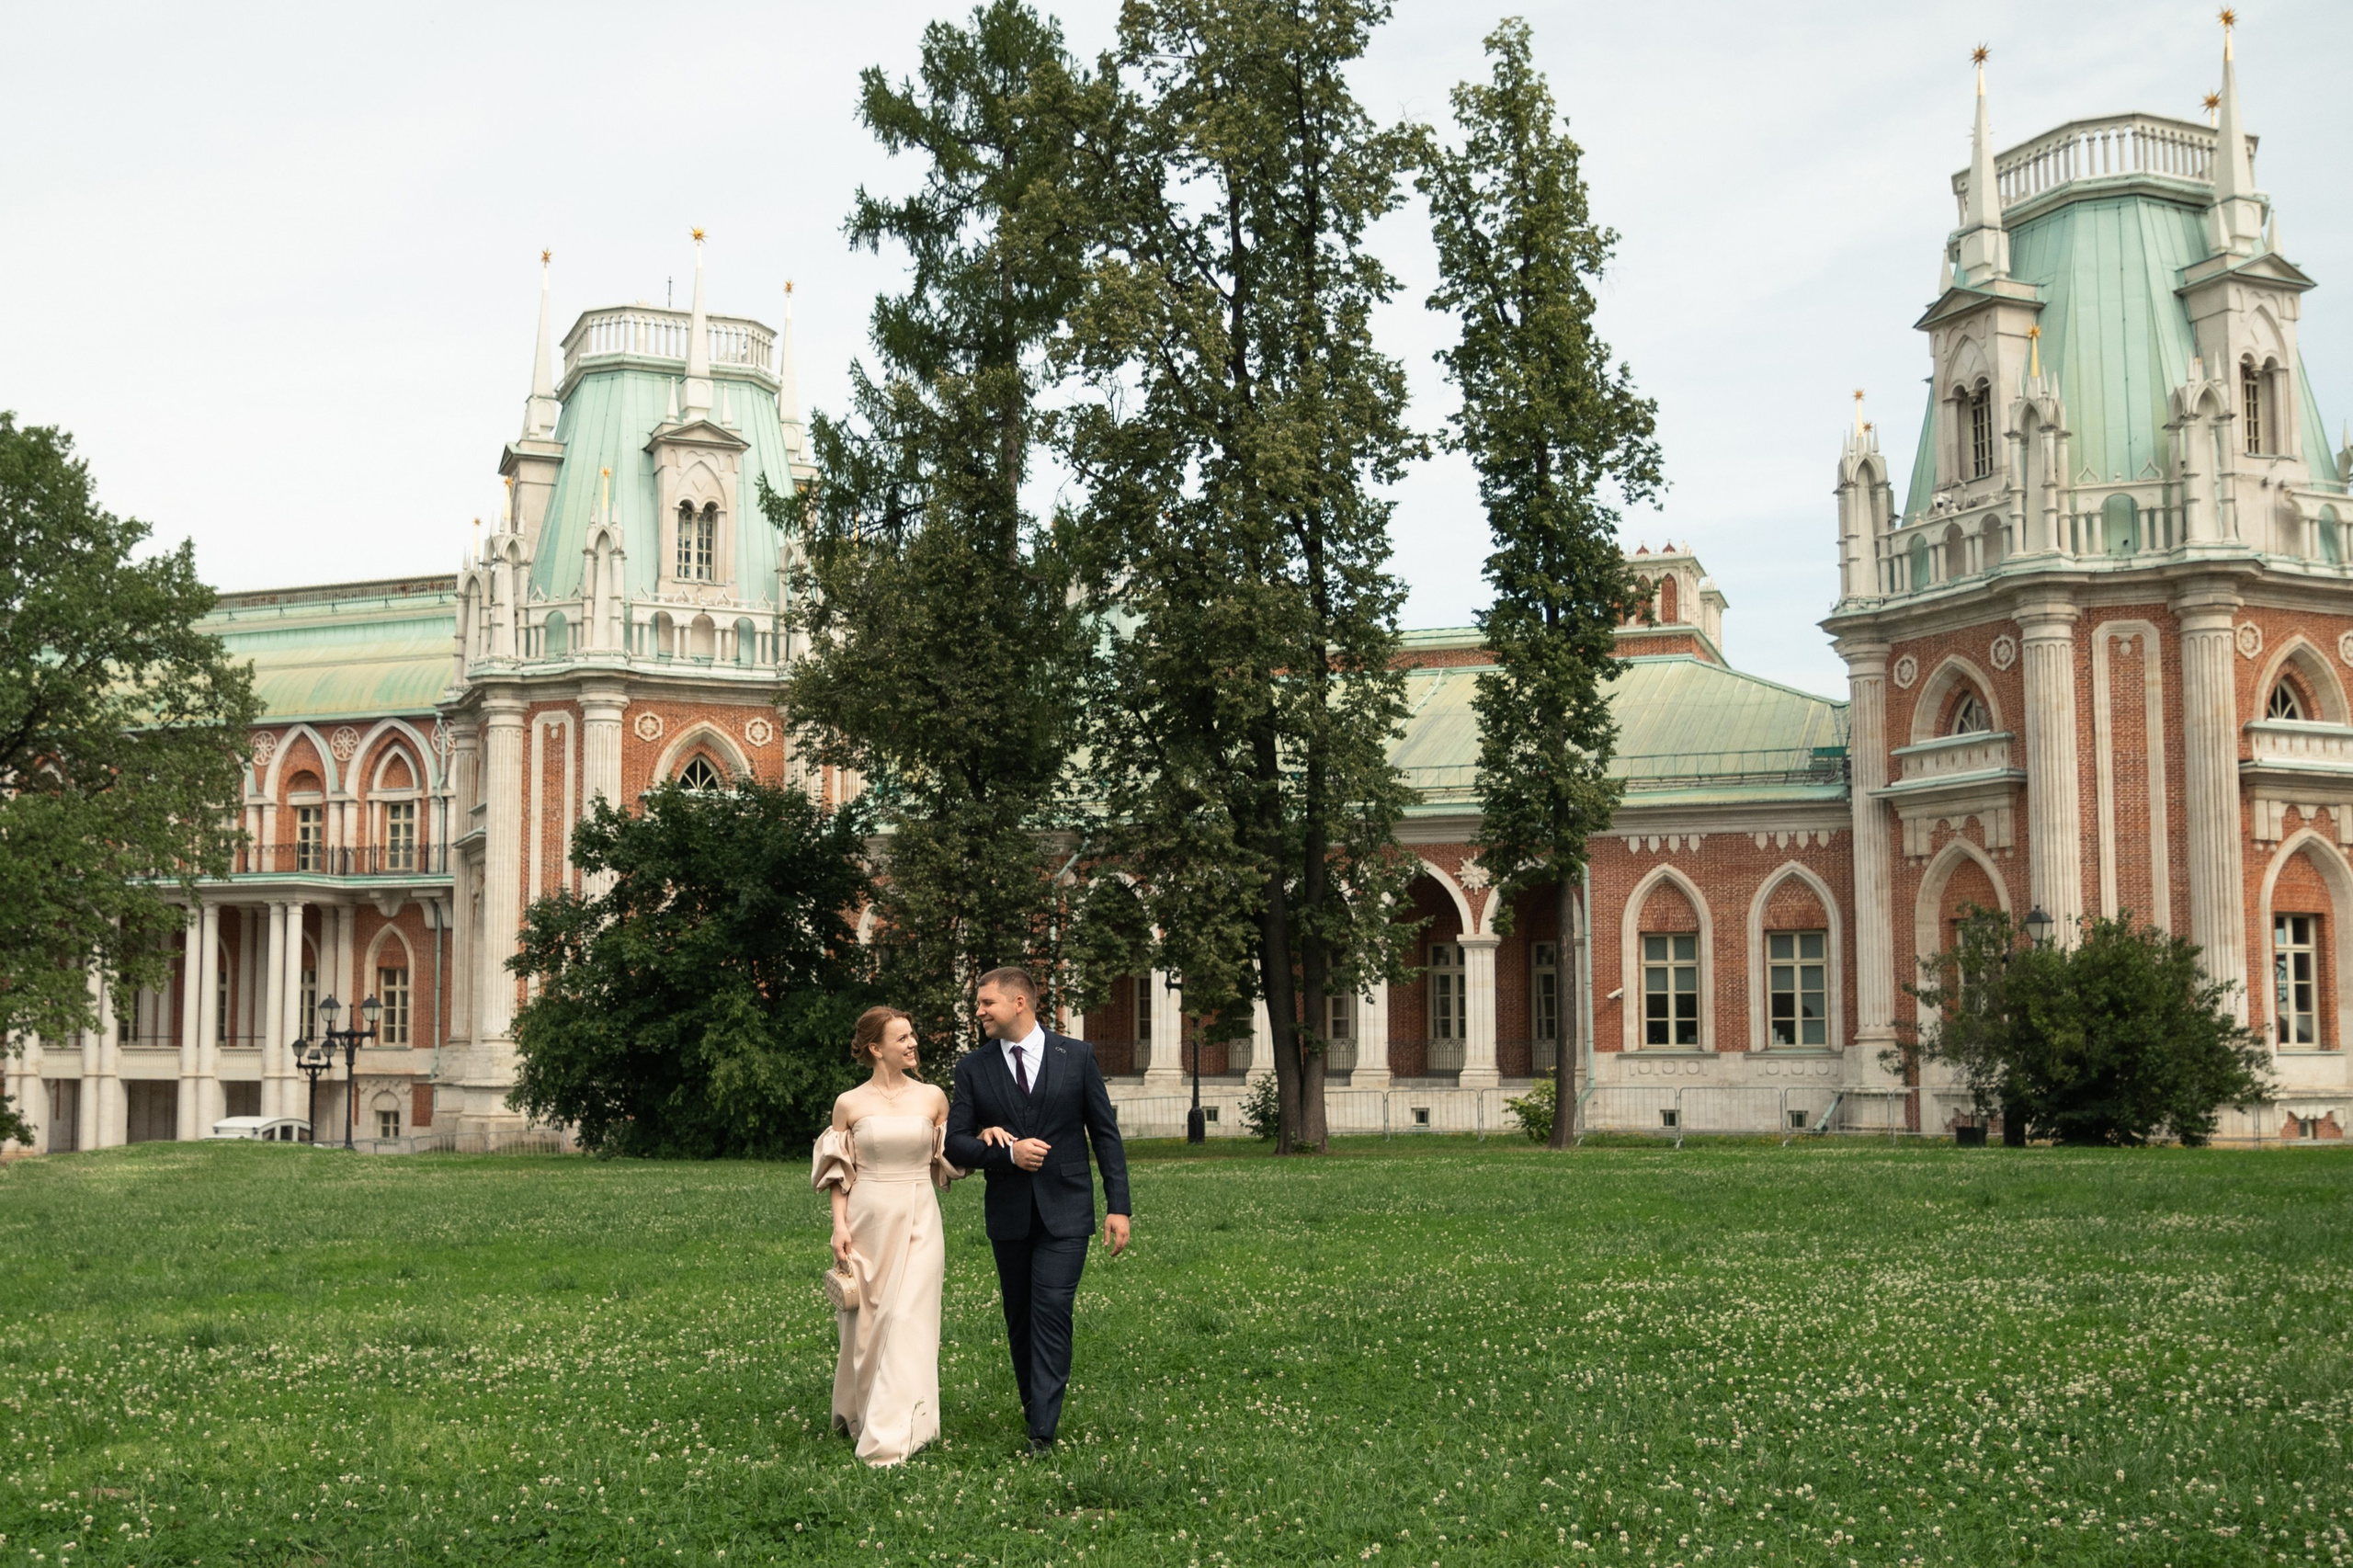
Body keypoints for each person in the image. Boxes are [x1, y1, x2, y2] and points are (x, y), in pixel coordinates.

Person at [945, 966, 1131, 1457]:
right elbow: (955, 1144)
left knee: (1051, 1310)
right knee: (1020, 1317)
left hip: (1067, 1211)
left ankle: (1042, 1433)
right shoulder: (973, 1067)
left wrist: (1120, 1207)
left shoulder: (1078, 1056)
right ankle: (1036, 1404)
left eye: (986, 1003)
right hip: (1008, 1214)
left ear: (1019, 1003)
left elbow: (1105, 1135)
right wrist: (1005, 1153)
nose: (979, 1011)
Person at [811, 1006, 964, 1467]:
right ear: (876, 1048)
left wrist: (988, 1133)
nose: (914, 1042)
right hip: (866, 1218)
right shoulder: (849, 1104)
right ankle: (861, 1411)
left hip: (919, 1216)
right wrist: (839, 1226)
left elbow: (956, 1152)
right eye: (903, 1038)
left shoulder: (934, 1097)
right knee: (868, 1324)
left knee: (908, 1318)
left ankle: (900, 1430)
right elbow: (841, 1173)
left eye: (914, 1035)